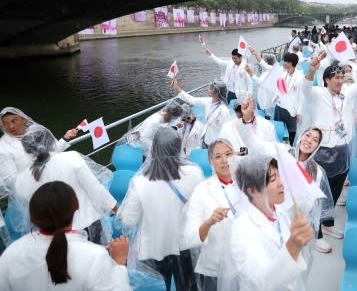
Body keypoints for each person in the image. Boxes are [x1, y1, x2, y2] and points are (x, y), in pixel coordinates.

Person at [302, 51, 357, 239]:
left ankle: (327, 223)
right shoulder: (318, 94)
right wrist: (311, 70)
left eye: (342, 77)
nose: (340, 81)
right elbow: (306, 88)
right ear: (326, 79)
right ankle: (315, 232)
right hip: (323, 149)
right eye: (336, 78)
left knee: (336, 187)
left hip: (342, 148)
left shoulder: (347, 93)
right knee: (319, 190)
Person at [117, 126, 205, 291]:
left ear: (154, 149)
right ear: (178, 147)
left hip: (152, 248)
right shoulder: (194, 173)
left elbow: (129, 220)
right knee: (187, 286)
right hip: (184, 246)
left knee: (157, 287)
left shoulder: (140, 181)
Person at [0, 181, 130, 290]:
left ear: (32, 217)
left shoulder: (11, 253)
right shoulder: (95, 256)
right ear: (76, 209)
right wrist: (119, 264)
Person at [15, 124, 118, 244]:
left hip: (52, 234)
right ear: (51, 141)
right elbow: (95, 189)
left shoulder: (20, 181)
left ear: (27, 150)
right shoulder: (71, 158)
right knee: (95, 258)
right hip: (86, 222)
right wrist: (116, 208)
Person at [230, 154, 314, 291]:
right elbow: (261, 281)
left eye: (279, 176)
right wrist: (293, 244)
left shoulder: (279, 212)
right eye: (273, 179)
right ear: (251, 191)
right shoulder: (242, 229)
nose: (281, 183)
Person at [182, 139, 241, 291]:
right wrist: (209, 222)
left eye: (228, 154)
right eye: (218, 156)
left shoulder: (249, 184)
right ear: (211, 162)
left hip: (247, 265)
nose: (225, 160)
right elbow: (189, 237)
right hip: (215, 269)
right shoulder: (201, 190)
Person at [0, 107, 78, 195]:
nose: (11, 126)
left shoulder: (34, 134)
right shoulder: (3, 148)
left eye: (14, 121)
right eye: (5, 124)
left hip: (55, 182)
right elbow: (10, 180)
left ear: (23, 119)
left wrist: (66, 138)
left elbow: (52, 152)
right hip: (33, 194)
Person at [290, 127, 334, 254]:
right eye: (307, 135)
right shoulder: (284, 155)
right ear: (301, 136)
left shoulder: (316, 171)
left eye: (315, 140)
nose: (309, 141)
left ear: (317, 147)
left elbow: (309, 205)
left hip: (296, 221)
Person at [252, 49, 305, 145]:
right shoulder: (281, 71)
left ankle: (292, 146)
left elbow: (302, 97)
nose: (283, 63)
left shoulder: (300, 77)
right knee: (277, 128)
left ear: (291, 63)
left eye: (285, 61)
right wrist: (257, 55)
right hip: (279, 106)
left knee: (291, 130)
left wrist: (299, 113)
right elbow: (267, 67)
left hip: (291, 109)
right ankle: (278, 146)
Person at [172, 78, 233, 148]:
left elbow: (226, 129)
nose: (209, 89)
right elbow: (192, 100)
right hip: (206, 137)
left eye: (212, 88)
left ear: (217, 92)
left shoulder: (224, 111)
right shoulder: (208, 101)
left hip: (216, 141)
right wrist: (177, 88)